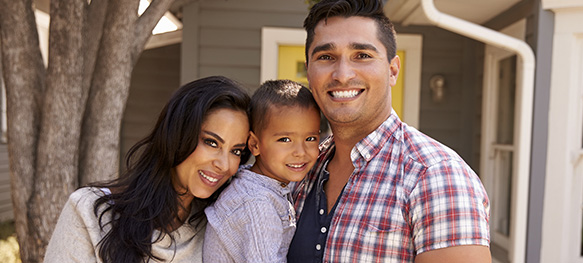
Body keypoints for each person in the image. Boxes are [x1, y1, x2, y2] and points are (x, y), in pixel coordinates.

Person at [287, 0, 492, 262]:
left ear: (392, 70)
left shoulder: (436, 176)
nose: (342, 74)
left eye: (362, 55)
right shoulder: (302, 166)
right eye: (326, 57)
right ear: (309, 71)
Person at [43, 76, 251, 263]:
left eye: (236, 151)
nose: (225, 165)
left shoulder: (218, 229)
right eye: (211, 142)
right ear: (177, 135)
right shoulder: (89, 212)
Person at [203, 79, 321, 262]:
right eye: (285, 140)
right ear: (254, 144)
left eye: (311, 138)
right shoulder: (257, 204)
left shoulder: (262, 183)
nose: (300, 152)